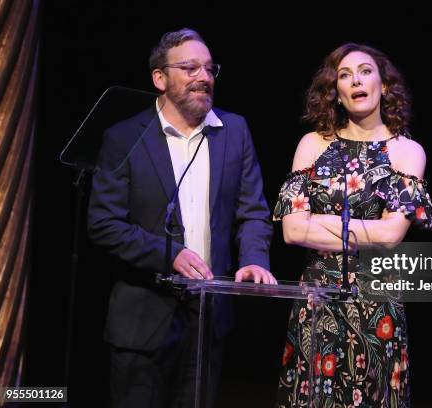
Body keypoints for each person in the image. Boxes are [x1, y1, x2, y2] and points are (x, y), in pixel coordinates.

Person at [88, 28, 275, 407]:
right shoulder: (124, 137)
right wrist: (168, 253)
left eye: (209, 68)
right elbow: (104, 223)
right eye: (189, 68)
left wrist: (254, 259)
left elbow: (253, 210)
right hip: (142, 321)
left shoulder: (234, 130)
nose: (203, 77)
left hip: (208, 318)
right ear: (160, 78)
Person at [273, 43, 432, 407]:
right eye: (344, 75)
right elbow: (292, 231)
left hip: (376, 305)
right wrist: (362, 229)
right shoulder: (313, 144)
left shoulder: (406, 152)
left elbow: (391, 236)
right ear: (337, 93)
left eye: (365, 71)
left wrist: (320, 220)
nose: (355, 80)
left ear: (384, 85)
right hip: (317, 302)